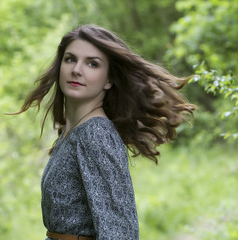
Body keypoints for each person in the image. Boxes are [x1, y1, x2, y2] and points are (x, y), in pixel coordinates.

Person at [11, 24, 196, 240]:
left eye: (92, 63)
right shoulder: (74, 132)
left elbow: (120, 233)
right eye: (70, 59)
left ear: (109, 80)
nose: (77, 69)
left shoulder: (96, 133)